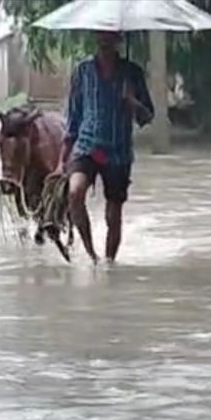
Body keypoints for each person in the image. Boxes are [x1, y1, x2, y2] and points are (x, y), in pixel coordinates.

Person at [52, 31, 154, 264]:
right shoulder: (82, 71)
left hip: (118, 152)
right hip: (87, 147)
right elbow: (73, 118)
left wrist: (133, 102)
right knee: (75, 192)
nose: (104, 42)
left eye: (110, 37)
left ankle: (109, 263)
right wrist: (61, 161)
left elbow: (148, 116)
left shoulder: (132, 73)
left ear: (118, 40)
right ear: (96, 39)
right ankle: (92, 256)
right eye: (101, 37)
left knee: (113, 216)